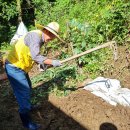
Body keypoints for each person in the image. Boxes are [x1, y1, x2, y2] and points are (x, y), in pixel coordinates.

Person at [4, 22, 63, 130]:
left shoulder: (39, 37)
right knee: (24, 94)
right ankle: (27, 123)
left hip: (21, 67)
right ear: (45, 31)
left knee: (28, 86)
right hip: (14, 67)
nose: (52, 38)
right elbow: (36, 56)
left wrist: (42, 64)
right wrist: (52, 62)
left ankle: (28, 106)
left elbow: (31, 54)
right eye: (51, 35)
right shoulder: (35, 37)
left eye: (54, 36)